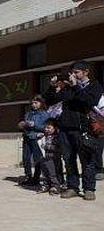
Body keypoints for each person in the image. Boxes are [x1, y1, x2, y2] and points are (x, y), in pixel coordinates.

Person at [43, 61, 103, 201]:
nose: (73, 75)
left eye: (76, 72)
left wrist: (76, 86)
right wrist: (52, 87)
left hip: (83, 129)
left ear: (86, 72)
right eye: (72, 72)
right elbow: (50, 100)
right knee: (69, 159)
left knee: (86, 161)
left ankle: (89, 189)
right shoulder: (68, 88)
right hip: (65, 128)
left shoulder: (95, 86)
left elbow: (89, 101)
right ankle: (73, 187)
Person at [18, 95, 49, 187]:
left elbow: (47, 127)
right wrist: (22, 125)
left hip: (37, 139)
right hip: (27, 138)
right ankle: (28, 177)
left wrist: (34, 126)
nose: (34, 105)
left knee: (38, 159)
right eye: (32, 103)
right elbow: (25, 126)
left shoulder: (44, 114)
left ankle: (36, 178)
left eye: (36, 103)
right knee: (26, 158)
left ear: (41, 103)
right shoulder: (28, 113)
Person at [37, 119, 62, 195]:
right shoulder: (44, 136)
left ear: (54, 128)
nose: (46, 129)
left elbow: (58, 148)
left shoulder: (57, 137)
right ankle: (46, 185)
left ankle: (55, 187)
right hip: (44, 158)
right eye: (45, 127)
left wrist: (46, 146)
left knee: (52, 173)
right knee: (45, 173)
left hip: (53, 158)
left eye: (49, 128)